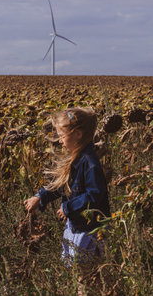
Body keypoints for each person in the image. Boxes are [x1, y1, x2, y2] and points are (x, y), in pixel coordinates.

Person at [24, 107, 111, 295]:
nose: (60, 140)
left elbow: (95, 195)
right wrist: (40, 197)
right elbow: (61, 185)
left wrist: (68, 207)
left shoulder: (90, 163)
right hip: (80, 226)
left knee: (86, 278)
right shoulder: (77, 158)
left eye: (62, 135)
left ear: (78, 134)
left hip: (90, 230)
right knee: (85, 276)